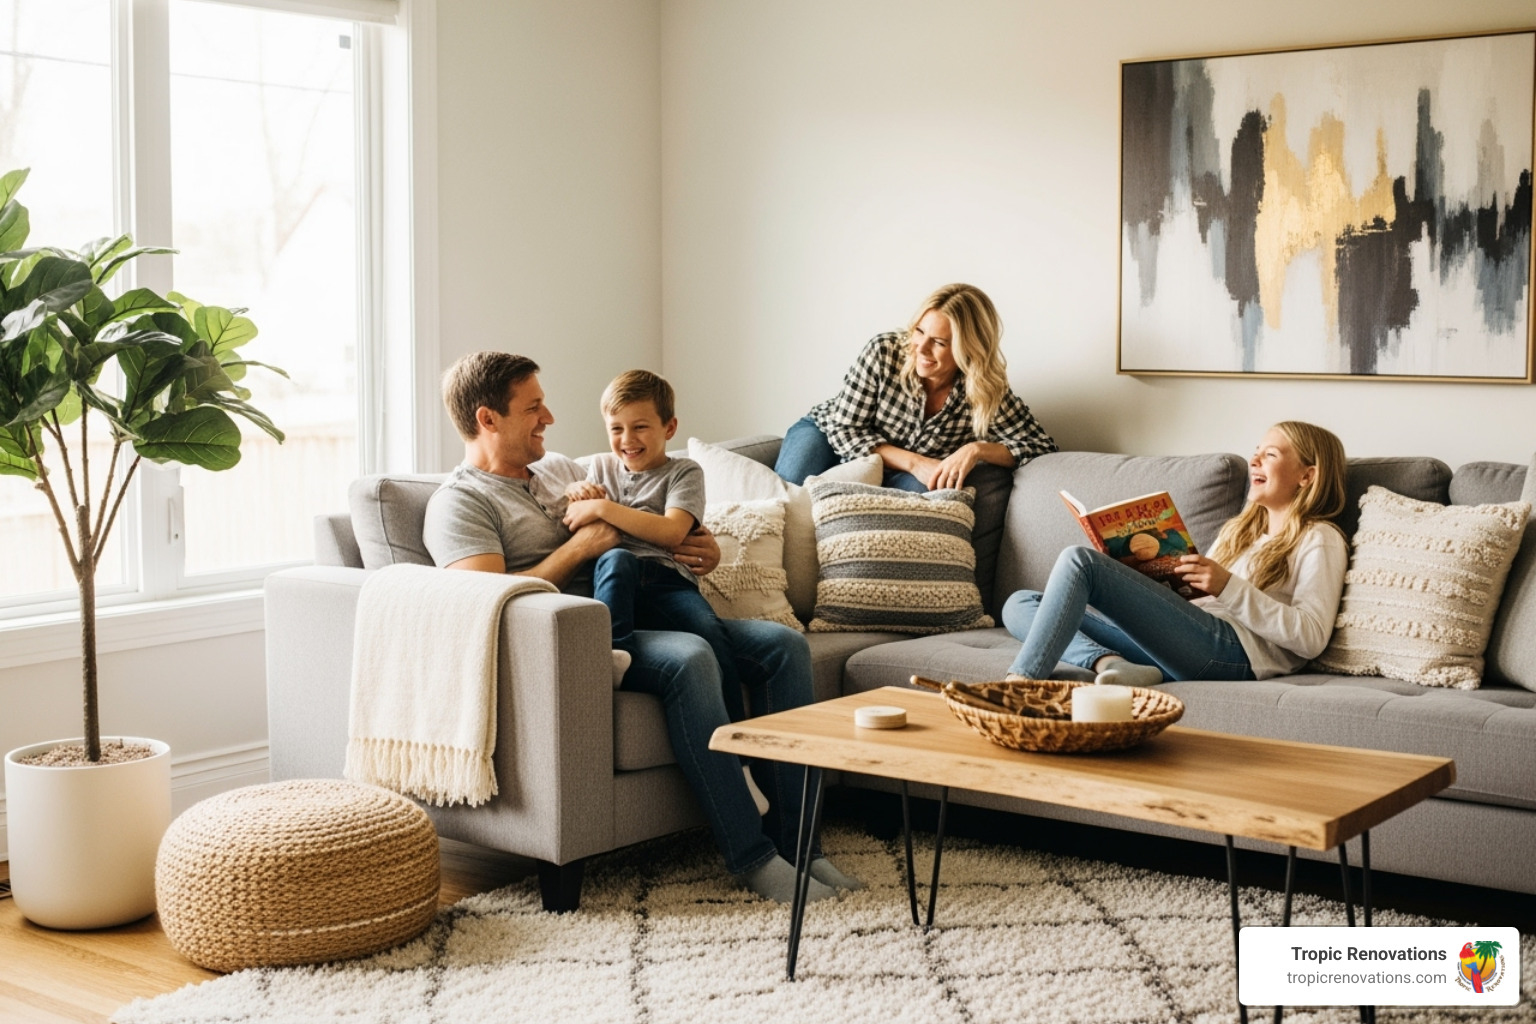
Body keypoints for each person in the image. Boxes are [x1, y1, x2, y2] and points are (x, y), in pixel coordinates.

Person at [421, 351, 859, 903]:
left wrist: (703, 547)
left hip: (636, 607)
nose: (549, 418)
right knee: (691, 658)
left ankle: (803, 847)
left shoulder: (555, 469)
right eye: (533, 407)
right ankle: (754, 857)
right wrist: (583, 546)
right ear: (488, 419)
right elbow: (486, 602)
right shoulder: (460, 502)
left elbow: (634, 511)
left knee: (783, 646)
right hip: (581, 640)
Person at [1000, 421, 1349, 686]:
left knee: (1080, 562)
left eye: (1269, 454)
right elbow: (1194, 600)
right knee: (1020, 603)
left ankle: (1019, 683)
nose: (1254, 459)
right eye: (1256, 450)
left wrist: (1227, 585)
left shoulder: (1320, 538)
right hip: (1186, 639)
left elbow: (1311, 637)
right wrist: (1147, 580)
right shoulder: (1239, 531)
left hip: (1234, 651)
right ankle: (1110, 665)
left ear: (1307, 476)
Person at [563, 369, 769, 814]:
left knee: (710, 638)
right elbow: (567, 507)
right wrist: (578, 492)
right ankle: (614, 657)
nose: (627, 439)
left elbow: (672, 531)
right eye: (616, 428)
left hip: (667, 581)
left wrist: (602, 506)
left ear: (668, 428)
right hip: (618, 581)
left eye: (640, 427)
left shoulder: (683, 472)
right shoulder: (597, 467)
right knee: (616, 559)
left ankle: (742, 762)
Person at [774, 283, 1057, 492]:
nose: (921, 348)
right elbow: (844, 429)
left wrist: (976, 450)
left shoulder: (982, 389)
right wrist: (916, 463)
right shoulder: (884, 352)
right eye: (920, 332)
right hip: (828, 436)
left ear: (968, 351)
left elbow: (1041, 446)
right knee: (789, 492)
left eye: (939, 342)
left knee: (923, 498)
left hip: (891, 472)